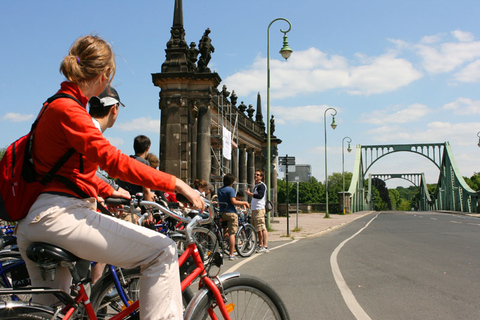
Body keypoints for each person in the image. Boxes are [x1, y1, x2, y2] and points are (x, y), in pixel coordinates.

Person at [15, 34, 203, 320]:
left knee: (54, 312)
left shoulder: (53, 105)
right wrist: (177, 183)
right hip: (59, 217)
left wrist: (104, 190)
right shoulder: (70, 110)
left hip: (36, 221)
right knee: (162, 251)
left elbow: (71, 173)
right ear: (105, 75)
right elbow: (112, 160)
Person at [217, 173, 249, 260]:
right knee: (232, 233)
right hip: (231, 213)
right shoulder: (231, 190)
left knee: (225, 229)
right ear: (232, 182)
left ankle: (224, 243)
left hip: (222, 212)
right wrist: (244, 203)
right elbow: (234, 202)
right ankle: (231, 254)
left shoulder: (219, 190)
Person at [117, 135, 156, 201]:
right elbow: (146, 190)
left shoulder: (126, 161)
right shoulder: (144, 163)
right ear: (147, 148)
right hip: (137, 203)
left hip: (122, 200)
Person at [246, 169, 269, 253]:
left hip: (259, 209)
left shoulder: (261, 186)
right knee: (259, 228)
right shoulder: (257, 185)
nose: (256, 176)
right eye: (255, 174)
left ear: (261, 177)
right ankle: (261, 244)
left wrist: (249, 194)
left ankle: (263, 245)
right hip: (255, 209)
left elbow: (259, 196)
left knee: (260, 228)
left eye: (258, 175)